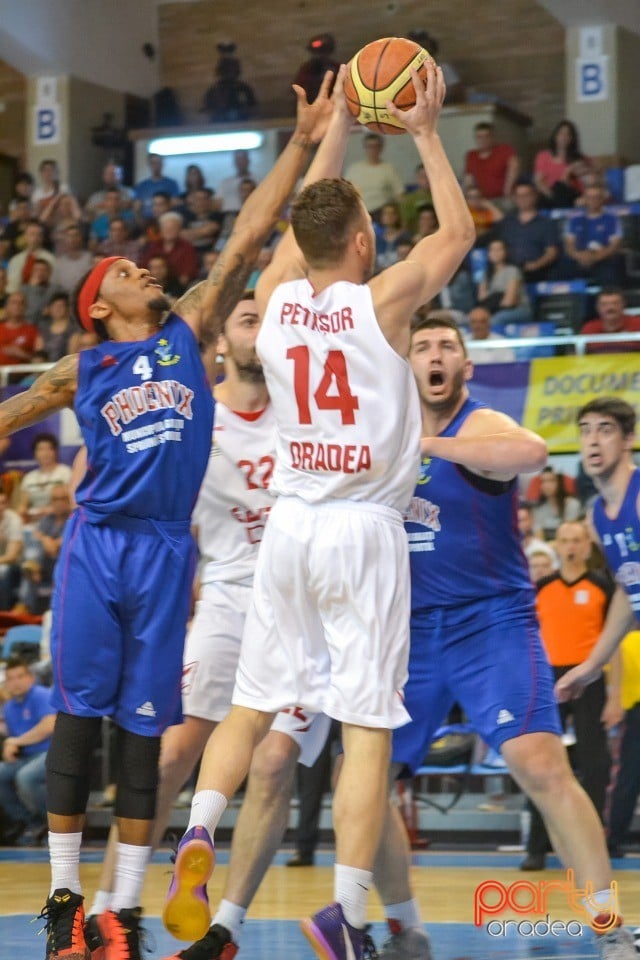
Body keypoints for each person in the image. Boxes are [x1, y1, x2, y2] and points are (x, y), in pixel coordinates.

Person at [0, 77, 337, 960]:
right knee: (81, 721)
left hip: (163, 555)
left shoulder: (186, 331)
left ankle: (123, 912)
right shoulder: (84, 368)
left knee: (147, 733)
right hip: (98, 546)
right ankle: (66, 902)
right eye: (121, 270)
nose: (140, 265)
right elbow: (9, 414)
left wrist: (298, 146)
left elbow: (251, 233)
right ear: (101, 306)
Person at [164, 60, 475, 960]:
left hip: (290, 530)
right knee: (368, 727)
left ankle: (198, 831)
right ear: (368, 243)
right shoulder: (384, 304)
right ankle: (342, 909)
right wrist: (422, 132)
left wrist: (332, 124)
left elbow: (309, 212)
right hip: (363, 532)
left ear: (303, 244)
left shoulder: (277, 305)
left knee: (250, 708)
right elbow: (454, 230)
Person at [373, 317, 636, 960]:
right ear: (407, 364)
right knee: (366, 778)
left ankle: (610, 927)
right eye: (423, 347)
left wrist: (426, 446)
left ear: (465, 365)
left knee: (541, 762)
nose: (435, 356)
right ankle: (405, 930)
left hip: (490, 621)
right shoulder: (383, 430)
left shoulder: (479, 423)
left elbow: (531, 452)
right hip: (405, 632)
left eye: (447, 348)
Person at [89, 294, 330, 960]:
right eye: (248, 318)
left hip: (306, 610)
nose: (262, 328)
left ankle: (224, 930)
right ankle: (108, 912)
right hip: (225, 600)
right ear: (220, 341)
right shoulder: (193, 420)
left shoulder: (306, 413)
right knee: (166, 757)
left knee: (276, 762)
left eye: (268, 319)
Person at [521, 520, 614, 870]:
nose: (572, 546)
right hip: (547, 679)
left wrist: (616, 694)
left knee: (596, 765)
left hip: (589, 677)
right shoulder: (541, 587)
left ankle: (587, 845)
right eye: (565, 540)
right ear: (556, 545)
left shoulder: (601, 586)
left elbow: (614, 645)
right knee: (538, 764)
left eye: (577, 540)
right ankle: (536, 847)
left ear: (587, 546)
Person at [0, 656, 56, 845]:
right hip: (26, 755)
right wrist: (10, 744)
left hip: (48, 752)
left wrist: (16, 741)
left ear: (30, 678)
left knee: (26, 777)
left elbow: (49, 725)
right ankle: (31, 822)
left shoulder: (42, 695)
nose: (15, 682)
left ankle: (55, 823)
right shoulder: (9, 707)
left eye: (20, 676)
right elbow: (10, 733)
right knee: (1, 774)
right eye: (10, 678)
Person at [564, 184, 623, 286]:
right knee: (561, 271)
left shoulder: (612, 219)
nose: (593, 200)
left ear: (602, 199)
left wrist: (595, 258)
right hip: (579, 259)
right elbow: (569, 245)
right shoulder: (574, 219)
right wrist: (579, 256)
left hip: (603, 259)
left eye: (597, 197)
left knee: (611, 270)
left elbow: (614, 246)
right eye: (590, 197)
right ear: (585, 199)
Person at [344, 132, 405, 219]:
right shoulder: (354, 169)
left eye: (376, 146)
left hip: (381, 214)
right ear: (365, 148)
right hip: (358, 213)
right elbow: (345, 193)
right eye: (369, 147)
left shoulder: (389, 169)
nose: (372, 150)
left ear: (381, 148)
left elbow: (399, 195)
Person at [534, 120, 593, 208]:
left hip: (573, 196)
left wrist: (585, 197)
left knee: (563, 189)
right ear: (555, 136)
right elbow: (539, 182)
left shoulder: (580, 159)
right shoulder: (543, 156)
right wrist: (554, 197)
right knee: (559, 188)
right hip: (551, 196)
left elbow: (590, 182)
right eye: (561, 134)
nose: (564, 137)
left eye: (568, 134)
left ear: (572, 138)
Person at [18, 432, 72, 526]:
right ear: (35, 453)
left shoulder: (66, 473)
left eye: (49, 449)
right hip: (34, 521)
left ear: (56, 451)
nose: (45, 453)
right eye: (41, 449)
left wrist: (52, 510)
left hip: (60, 521)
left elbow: (71, 502)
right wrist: (23, 513)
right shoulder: (29, 477)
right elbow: (22, 505)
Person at [477, 238, 531, 325]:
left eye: (499, 249)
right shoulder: (485, 274)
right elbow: (482, 299)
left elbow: (509, 302)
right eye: (492, 250)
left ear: (506, 252)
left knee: (493, 321)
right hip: (494, 310)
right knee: (474, 319)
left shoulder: (512, 270)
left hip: (518, 309)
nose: (495, 253)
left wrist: (489, 311)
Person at [463, 122, 520, 204]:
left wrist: (507, 190)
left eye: (487, 136)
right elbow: (469, 179)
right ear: (475, 138)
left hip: (502, 198)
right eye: (480, 137)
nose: (483, 140)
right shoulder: (471, 155)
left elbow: (515, 166)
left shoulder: (504, 150)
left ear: (493, 137)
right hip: (480, 200)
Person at [581, 288, 640, 354]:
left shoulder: (638, 324)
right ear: (597, 307)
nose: (610, 308)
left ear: (623, 304)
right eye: (604, 304)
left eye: (615, 303)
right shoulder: (589, 329)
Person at [0, 490, 23, 610]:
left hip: (13, 565)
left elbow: (11, 556)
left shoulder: (14, 519)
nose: (0, 507)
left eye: (3, 503)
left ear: (7, 504)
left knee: (2, 571)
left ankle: (3, 612)